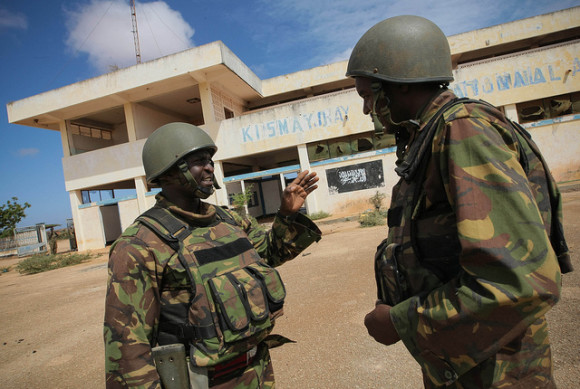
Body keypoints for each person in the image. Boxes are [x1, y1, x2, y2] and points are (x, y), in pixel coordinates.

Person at [346, 15, 570, 388]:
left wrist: (402, 321)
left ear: (399, 86)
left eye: (369, 95)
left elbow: (522, 280)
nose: (368, 109)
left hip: (500, 370)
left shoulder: (462, 129)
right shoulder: (432, 137)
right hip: (472, 361)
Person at [104, 122, 322, 388]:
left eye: (210, 160)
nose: (209, 167)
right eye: (198, 161)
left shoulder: (229, 219)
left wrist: (287, 214)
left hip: (257, 371)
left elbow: (269, 255)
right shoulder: (139, 245)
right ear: (168, 170)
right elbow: (127, 349)